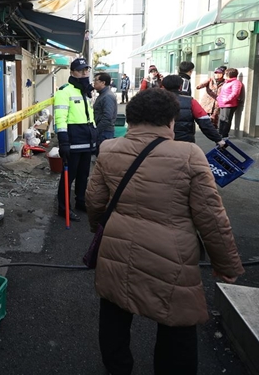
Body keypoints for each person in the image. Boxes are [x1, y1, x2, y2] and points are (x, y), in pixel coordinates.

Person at [86, 89, 244, 375]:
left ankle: (118, 368)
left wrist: (100, 230)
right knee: (176, 322)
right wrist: (226, 264)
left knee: (114, 312)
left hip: (116, 246)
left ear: (130, 120)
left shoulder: (109, 149)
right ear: (171, 121)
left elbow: (94, 201)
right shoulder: (188, 154)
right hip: (171, 255)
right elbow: (211, 216)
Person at [54, 57, 97, 222]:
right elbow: (60, 118)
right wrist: (63, 141)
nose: (84, 73)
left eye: (86, 70)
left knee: (83, 175)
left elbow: (89, 116)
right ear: (72, 72)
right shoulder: (64, 92)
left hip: (87, 140)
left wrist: (95, 137)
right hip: (73, 141)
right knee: (68, 176)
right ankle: (63, 208)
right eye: (80, 70)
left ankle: (80, 201)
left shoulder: (85, 91)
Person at [162, 75, 225, 146]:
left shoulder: (153, 101)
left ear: (163, 87)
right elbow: (204, 122)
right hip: (185, 142)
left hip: (158, 142)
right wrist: (218, 139)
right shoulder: (190, 101)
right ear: (180, 87)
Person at [93, 72, 117, 154]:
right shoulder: (102, 94)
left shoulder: (107, 96)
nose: (94, 82)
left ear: (103, 83)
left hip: (104, 133)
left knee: (102, 157)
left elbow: (107, 117)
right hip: (102, 132)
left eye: (96, 80)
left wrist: (96, 131)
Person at [217, 68, 244, 138]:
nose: (224, 75)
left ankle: (224, 136)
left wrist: (226, 100)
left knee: (226, 120)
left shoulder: (236, 82)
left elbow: (235, 93)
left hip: (229, 104)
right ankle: (220, 135)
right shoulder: (227, 82)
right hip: (223, 103)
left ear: (229, 74)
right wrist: (219, 98)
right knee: (222, 120)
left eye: (225, 74)